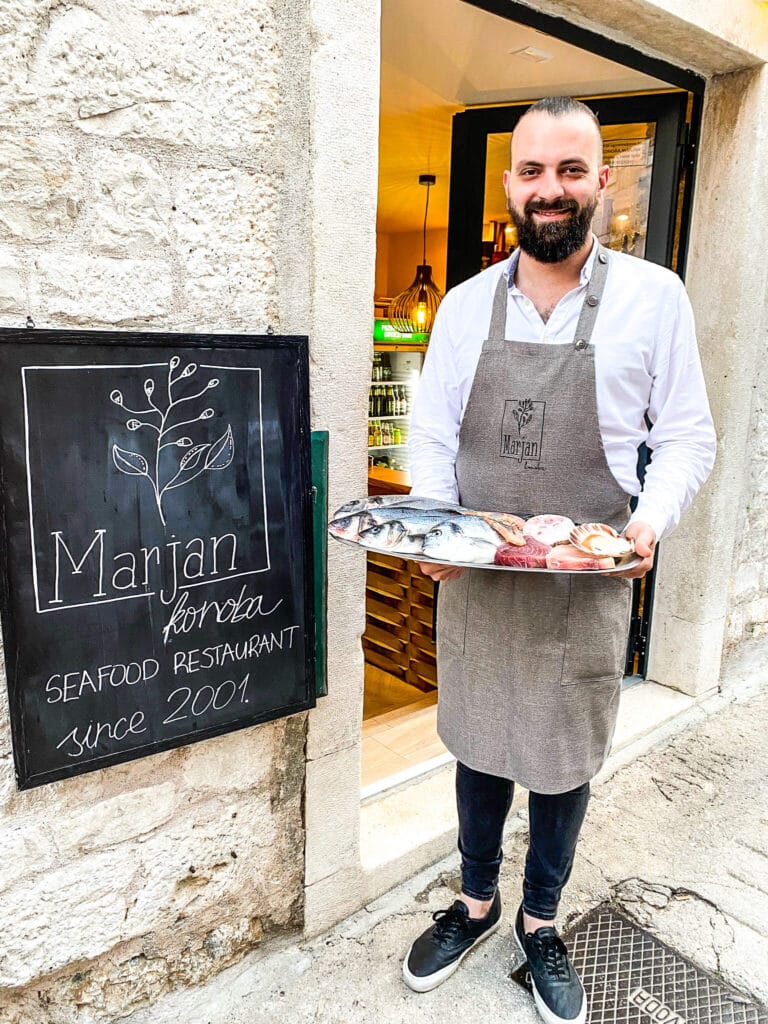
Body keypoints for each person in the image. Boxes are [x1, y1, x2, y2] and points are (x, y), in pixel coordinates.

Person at [402, 96, 715, 1024]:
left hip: (587, 579)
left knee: (562, 760)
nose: (552, 190)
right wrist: (431, 524)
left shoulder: (657, 300)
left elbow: (689, 438)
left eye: (571, 171)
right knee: (479, 743)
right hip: (484, 577)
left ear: (602, 184)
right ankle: (473, 900)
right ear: (510, 186)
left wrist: (648, 521)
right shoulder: (463, 309)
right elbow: (432, 435)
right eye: (534, 172)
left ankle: (541, 921)